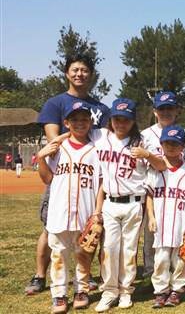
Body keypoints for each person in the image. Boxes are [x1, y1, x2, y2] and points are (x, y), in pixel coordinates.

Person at [26, 54, 110, 296]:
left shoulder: (100, 108)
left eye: (84, 70)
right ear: (67, 73)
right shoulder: (55, 103)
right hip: (64, 167)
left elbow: (102, 140)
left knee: (88, 230)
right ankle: (40, 275)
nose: (79, 74)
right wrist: (69, 149)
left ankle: (83, 281)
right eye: (75, 70)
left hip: (87, 171)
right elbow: (54, 138)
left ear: (91, 75)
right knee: (51, 228)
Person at [94, 98, 166, 312]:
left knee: (128, 250)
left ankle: (126, 291)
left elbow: (162, 165)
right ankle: (109, 291)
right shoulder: (101, 136)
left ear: (133, 121)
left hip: (135, 203)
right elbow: (73, 132)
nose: (120, 123)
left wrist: (148, 155)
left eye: (125, 119)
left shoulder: (143, 140)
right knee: (109, 248)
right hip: (109, 201)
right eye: (117, 118)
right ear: (111, 119)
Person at [36, 101, 102, 313]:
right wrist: (41, 157)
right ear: (66, 122)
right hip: (59, 212)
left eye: (84, 119)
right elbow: (47, 179)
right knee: (59, 255)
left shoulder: (96, 150)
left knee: (83, 253)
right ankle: (59, 295)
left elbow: (101, 184)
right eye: (75, 119)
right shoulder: (57, 148)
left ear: (91, 122)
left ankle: (81, 290)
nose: (80, 123)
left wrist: (97, 211)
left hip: (85, 211)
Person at [140, 90, 185, 278]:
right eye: (162, 108)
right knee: (152, 235)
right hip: (153, 190)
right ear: (155, 111)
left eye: (170, 108)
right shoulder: (145, 135)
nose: (166, 112)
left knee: (181, 233)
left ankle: (183, 274)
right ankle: (152, 273)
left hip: (178, 192)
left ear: (177, 110)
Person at [144, 125, 185, 309]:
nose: (171, 147)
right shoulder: (155, 169)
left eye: (176, 144)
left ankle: (177, 290)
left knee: (180, 260)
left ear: (183, 146)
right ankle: (160, 291)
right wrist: (150, 217)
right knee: (160, 259)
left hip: (182, 222)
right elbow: (149, 195)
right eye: (167, 143)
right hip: (161, 223)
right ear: (161, 145)